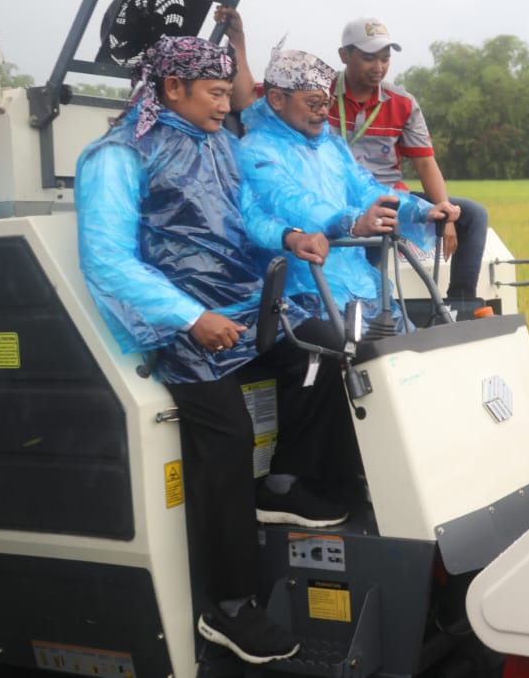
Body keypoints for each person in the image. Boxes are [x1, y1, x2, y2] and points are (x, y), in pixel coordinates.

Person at [75, 35, 351, 666]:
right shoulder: (118, 156)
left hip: (234, 304)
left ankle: (282, 483)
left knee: (324, 346)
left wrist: (288, 234)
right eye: (218, 93)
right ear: (173, 88)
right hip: (169, 324)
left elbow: (245, 213)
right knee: (225, 433)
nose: (229, 105)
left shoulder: (219, 142)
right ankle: (228, 606)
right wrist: (190, 316)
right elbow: (108, 260)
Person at [234, 36, 454, 326]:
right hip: (300, 289)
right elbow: (290, 203)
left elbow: (367, 190)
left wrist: (421, 210)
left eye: (325, 103)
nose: (323, 113)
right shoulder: (254, 150)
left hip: (356, 280)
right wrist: (351, 222)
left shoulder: (332, 147)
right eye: (313, 104)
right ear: (276, 99)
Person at [331, 17, 488, 300]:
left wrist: (444, 209)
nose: (378, 67)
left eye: (385, 58)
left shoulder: (402, 102)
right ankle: (367, 308)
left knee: (473, 214)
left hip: (392, 199)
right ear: (344, 55)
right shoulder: (321, 96)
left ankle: (460, 306)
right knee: (373, 229)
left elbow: (425, 162)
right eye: (368, 58)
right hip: (339, 199)